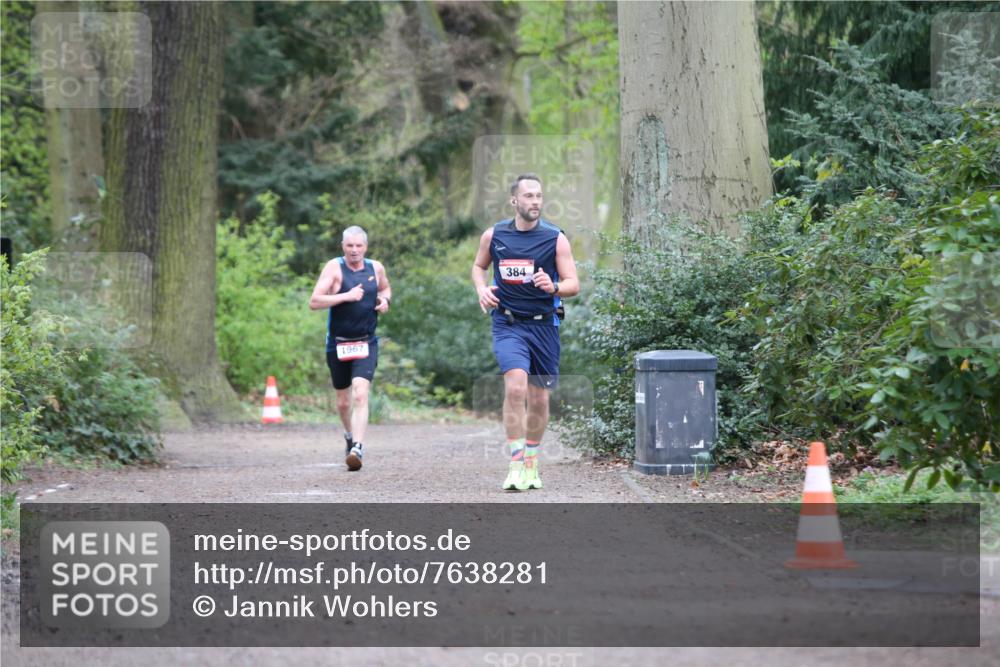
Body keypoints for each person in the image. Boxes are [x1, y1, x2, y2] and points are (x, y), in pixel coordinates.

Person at [471, 174, 580, 491]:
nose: (535, 201)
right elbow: (479, 267)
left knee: (539, 397)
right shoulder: (494, 236)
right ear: (514, 201)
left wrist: (554, 286)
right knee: (516, 387)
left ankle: (532, 462)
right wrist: (481, 289)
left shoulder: (555, 238)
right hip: (508, 323)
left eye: (539, 196)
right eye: (529, 196)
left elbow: (573, 283)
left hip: (544, 324)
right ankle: (515, 462)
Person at [309, 226, 391, 471]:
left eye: (359, 246)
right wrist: (345, 296)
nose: (354, 251)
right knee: (344, 402)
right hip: (338, 343)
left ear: (365, 247)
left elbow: (385, 287)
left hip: (366, 341)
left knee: (360, 393)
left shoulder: (375, 268)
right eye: (349, 246)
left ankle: (357, 447)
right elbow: (314, 301)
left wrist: (385, 300)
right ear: (342, 246)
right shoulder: (334, 268)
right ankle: (348, 435)